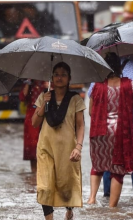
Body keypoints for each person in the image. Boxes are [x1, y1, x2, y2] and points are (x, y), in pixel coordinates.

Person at [87, 58, 133, 200]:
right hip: (131, 127)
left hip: (103, 130)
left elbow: (91, 107)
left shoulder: (98, 81)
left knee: (106, 162)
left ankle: (106, 194)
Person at [31, 62, 85, 220]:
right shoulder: (44, 96)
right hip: (45, 147)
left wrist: (78, 147)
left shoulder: (75, 99)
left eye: (63, 74)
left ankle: (69, 210)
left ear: (69, 78)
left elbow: (81, 125)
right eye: (56, 74)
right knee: (45, 186)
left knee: (66, 186)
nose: (59, 77)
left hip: (67, 150)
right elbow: (34, 122)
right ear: (51, 77)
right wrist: (43, 105)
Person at [19, 79, 47, 173]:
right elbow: (23, 97)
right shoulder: (29, 82)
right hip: (31, 114)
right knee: (32, 145)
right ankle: (34, 173)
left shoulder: (49, 80)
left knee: (46, 144)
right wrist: (27, 83)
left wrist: (49, 87)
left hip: (47, 114)